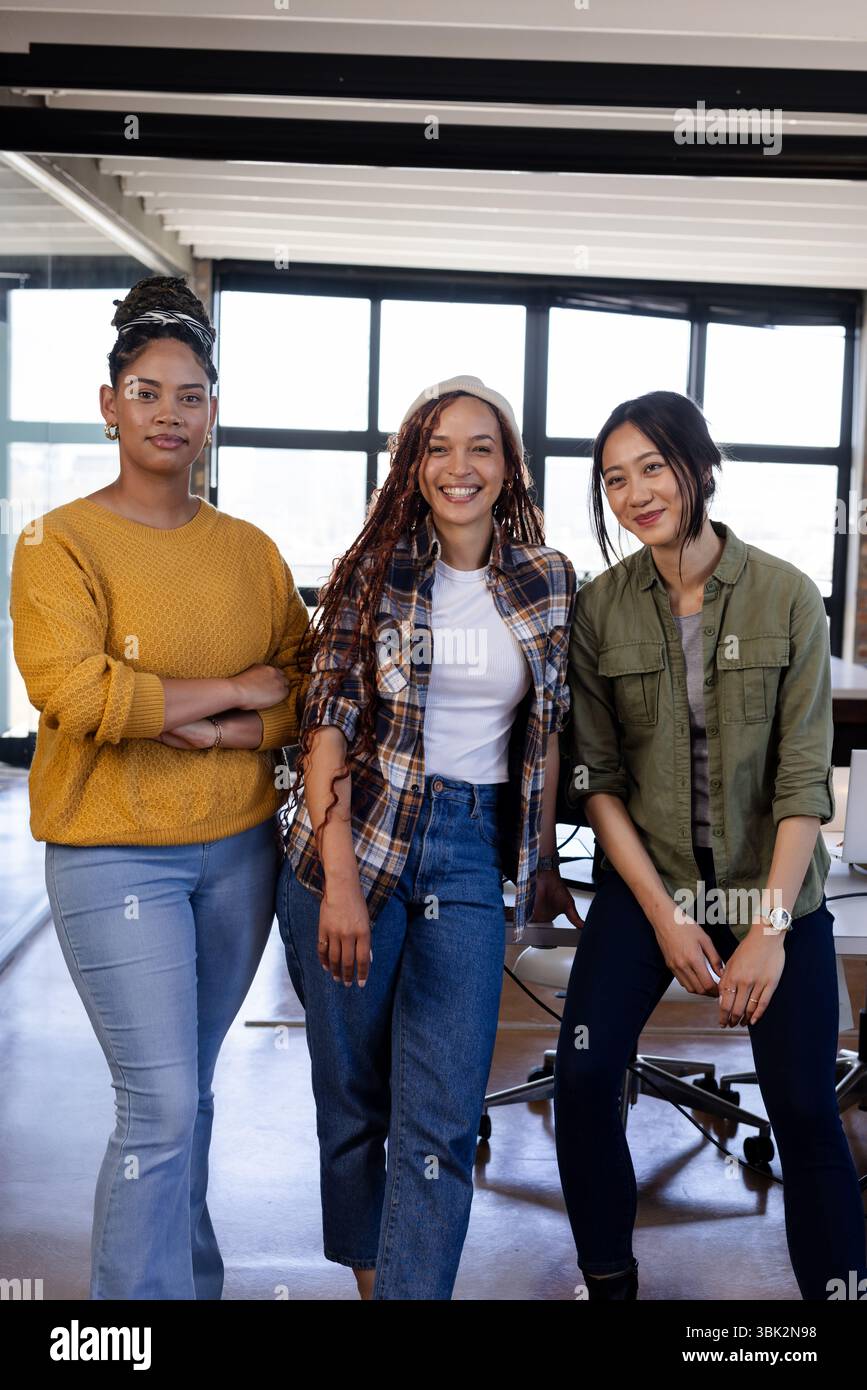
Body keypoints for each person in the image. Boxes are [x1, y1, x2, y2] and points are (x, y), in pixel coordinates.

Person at [9, 275, 311, 1300]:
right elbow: (77, 690)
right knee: (162, 1104)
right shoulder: (57, 545)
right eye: (147, 392)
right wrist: (232, 691)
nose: (169, 414)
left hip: (240, 853)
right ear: (109, 405)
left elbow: (307, 687)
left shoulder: (251, 551)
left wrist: (215, 720)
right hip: (113, 852)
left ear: (213, 414)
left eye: (190, 396)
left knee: (192, 1092)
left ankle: (193, 1285)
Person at [554, 388, 867, 1302]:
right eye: (613, 479)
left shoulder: (785, 593)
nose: (634, 493)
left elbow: (804, 782)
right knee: (581, 1078)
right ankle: (607, 1281)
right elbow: (598, 783)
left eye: (651, 467)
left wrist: (765, 931)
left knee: (807, 1106)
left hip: (769, 892)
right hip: (650, 888)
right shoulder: (599, 609)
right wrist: (663, 918)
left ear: (697, 466)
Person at [276, 374, 580, 1299]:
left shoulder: (547, 579)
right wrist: (337, 883)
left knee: (441, 1110)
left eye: (480, 447)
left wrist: (538, 862)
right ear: (412, 466)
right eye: (438, 447)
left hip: (468, 847)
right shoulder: (370, 574)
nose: (459, 467)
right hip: (353, 845)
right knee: (356, 1098)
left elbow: (551, 724)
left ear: (508, 467)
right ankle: (378, 1282)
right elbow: (323, 723)